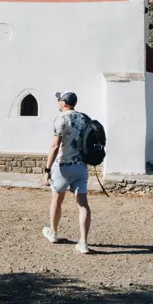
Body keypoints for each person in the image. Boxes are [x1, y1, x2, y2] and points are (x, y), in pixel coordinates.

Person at [42, 91, 92, 254]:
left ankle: (53, 233)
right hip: (81, 167)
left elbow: (55, 146)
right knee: (83, 204)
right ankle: (83, 243)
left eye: (59, 100)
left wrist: (47, 169)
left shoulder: (61, 119)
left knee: (57, 200)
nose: (58, 102)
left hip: (63, 167)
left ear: (64, 103)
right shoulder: (84, 118)